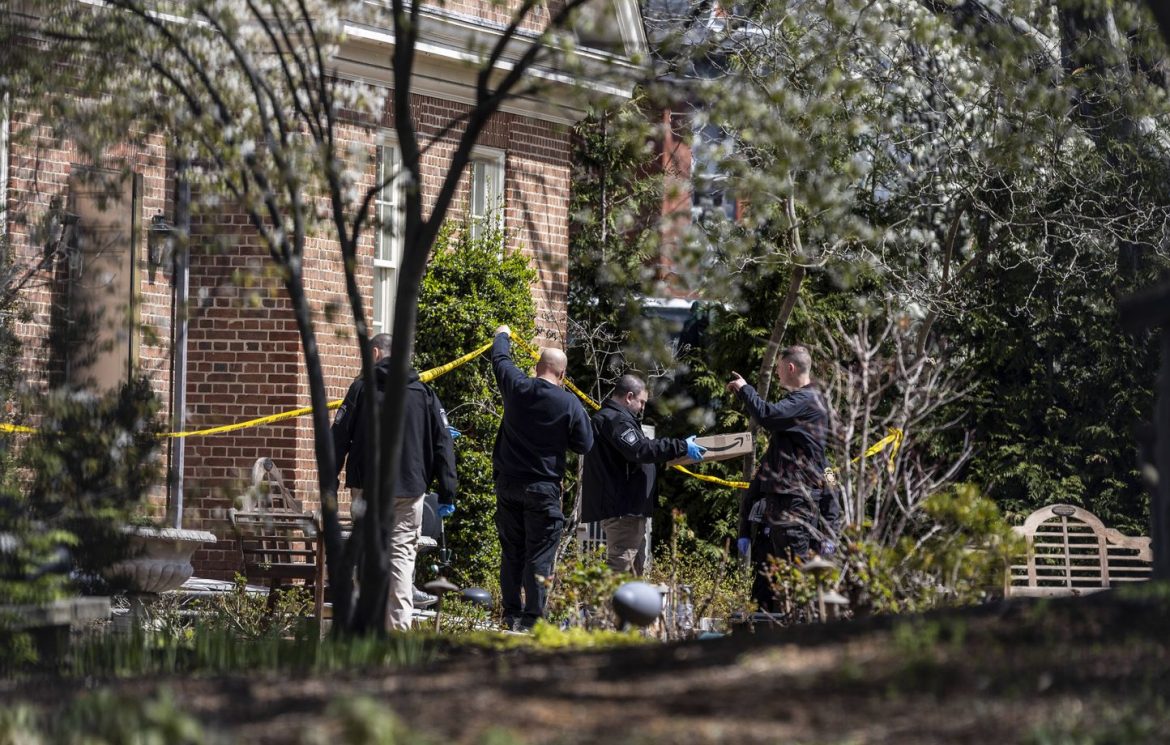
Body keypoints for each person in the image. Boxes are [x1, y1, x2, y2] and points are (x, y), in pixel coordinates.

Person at [331, 332, 457, 630]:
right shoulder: (423, 393)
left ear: (375, 354)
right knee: (401, 557)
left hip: (368, 487)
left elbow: (338, 437)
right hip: (409, 489)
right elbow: (443, 442)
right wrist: (448, 491)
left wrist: (330, 481)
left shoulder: (361, 389)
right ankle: (397, 629)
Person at [491, 324, 593, 631]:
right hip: (544, 489)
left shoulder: (517, 387)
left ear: (537, 368)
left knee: (512, 552)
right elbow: (585, 444)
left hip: (508, 486)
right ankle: (533, 619)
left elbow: (501, 360)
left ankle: (510, 614)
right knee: (539, 555)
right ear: (562, 375)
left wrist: (503, 334)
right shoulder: (569, 404)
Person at [725, 345, 837, 611]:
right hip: (785, 506)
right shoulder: (787, 445)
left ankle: (802, 632)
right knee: (779, 580)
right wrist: (744, 532)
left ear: (790, 368)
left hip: (794, 505)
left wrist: (744, 389)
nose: (776, 375)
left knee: (794, 574)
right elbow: (754, 490)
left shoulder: (805, 401)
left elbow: (768, 415)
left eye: (777, 369)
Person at [581, 374, 706, 575]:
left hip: (629, 508)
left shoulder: (617, 419)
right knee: (621, 566)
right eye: (641, 402)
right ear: (629, 397)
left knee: (634, 568)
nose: (643, 408)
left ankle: (625, 607)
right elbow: (639, 449)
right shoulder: (615, 420)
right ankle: (600, 607)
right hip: (623, 509)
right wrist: (680, 446)